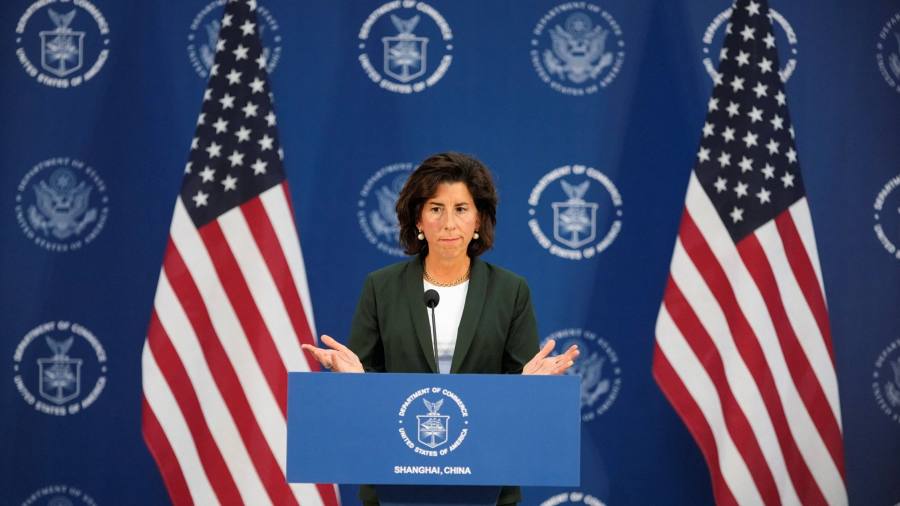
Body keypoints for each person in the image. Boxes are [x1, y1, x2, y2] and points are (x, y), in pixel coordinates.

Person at [302, 152, 579, 505]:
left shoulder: (510, 291)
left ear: (478, 219)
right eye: (436, 209)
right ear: (418, 219)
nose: (449, 223)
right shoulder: (381, 287)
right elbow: (365, 394)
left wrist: (528, 387)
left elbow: (519, 395)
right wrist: (357, 380)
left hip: (485, 482)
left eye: (461, 209)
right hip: (397, 482)